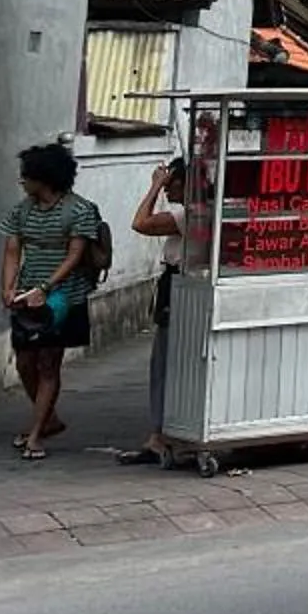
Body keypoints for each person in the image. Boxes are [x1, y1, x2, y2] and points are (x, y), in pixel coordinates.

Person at [0, 141, 102, 460]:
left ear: (43, 178)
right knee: (25, 361)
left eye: (26, 176)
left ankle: (35, 433)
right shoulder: (21, 210)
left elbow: (75, 255)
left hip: (63, 295)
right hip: (27, 292)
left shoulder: (80, 210)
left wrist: (47, 285)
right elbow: (13, 249)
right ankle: (50, 419)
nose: (22, 181)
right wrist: (8, 286)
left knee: (48, 362)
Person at [115, 160, 187, 468]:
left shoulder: (185, 214)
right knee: (167, 361)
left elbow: (140, 223)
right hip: (177, 285)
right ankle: (161, 434)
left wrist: (155, 186)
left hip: (179, 286)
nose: (168, 188)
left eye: (172, 182)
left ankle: (162, 434)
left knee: (165, 362)